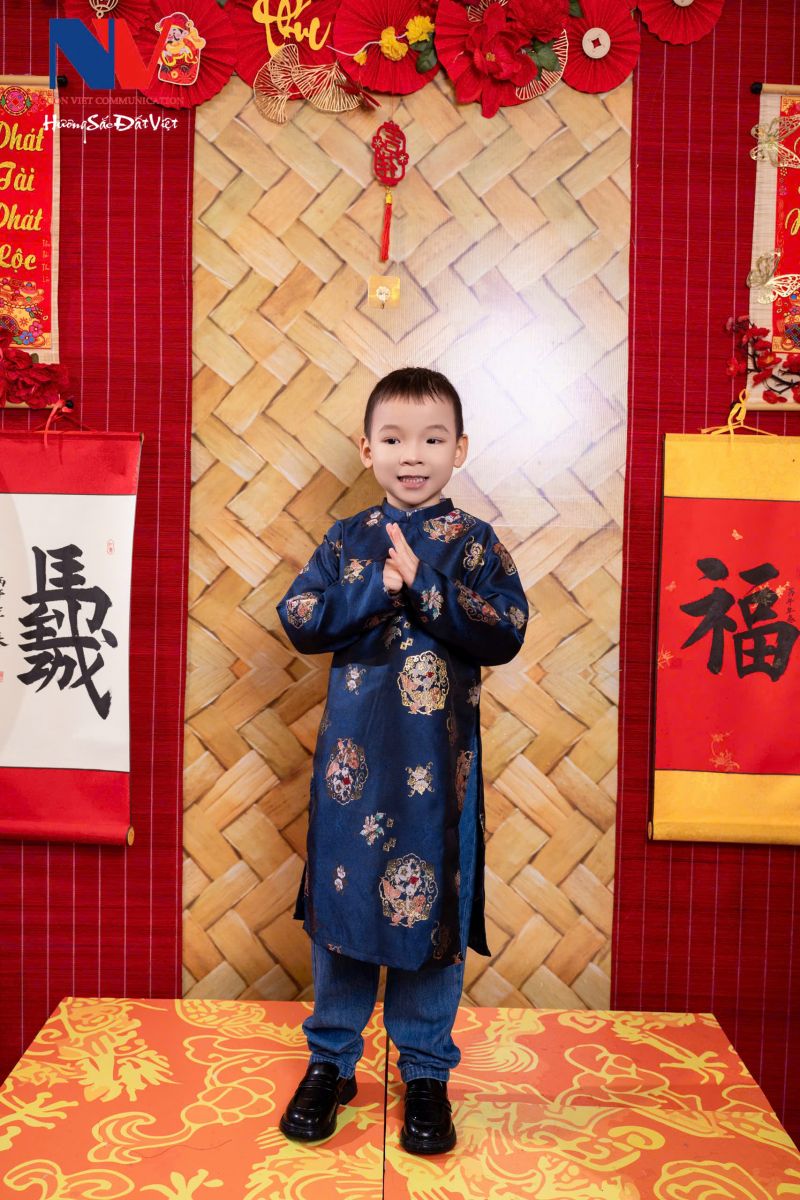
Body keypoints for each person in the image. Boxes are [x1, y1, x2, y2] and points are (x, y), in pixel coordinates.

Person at [275, 367, 528, 1155]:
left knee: (430, 914)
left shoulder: (475, 543)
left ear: (460, 449)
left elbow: (506, 630)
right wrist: (376, 591)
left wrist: (425, 585)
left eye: (431, 439)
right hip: (352, 770)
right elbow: (301, 617)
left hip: (438, 771)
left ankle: (424, 1071)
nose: (411, 454)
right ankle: (331, 1062)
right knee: (345, 907)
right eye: (393, 439)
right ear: (366, 448)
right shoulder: (344, 539)